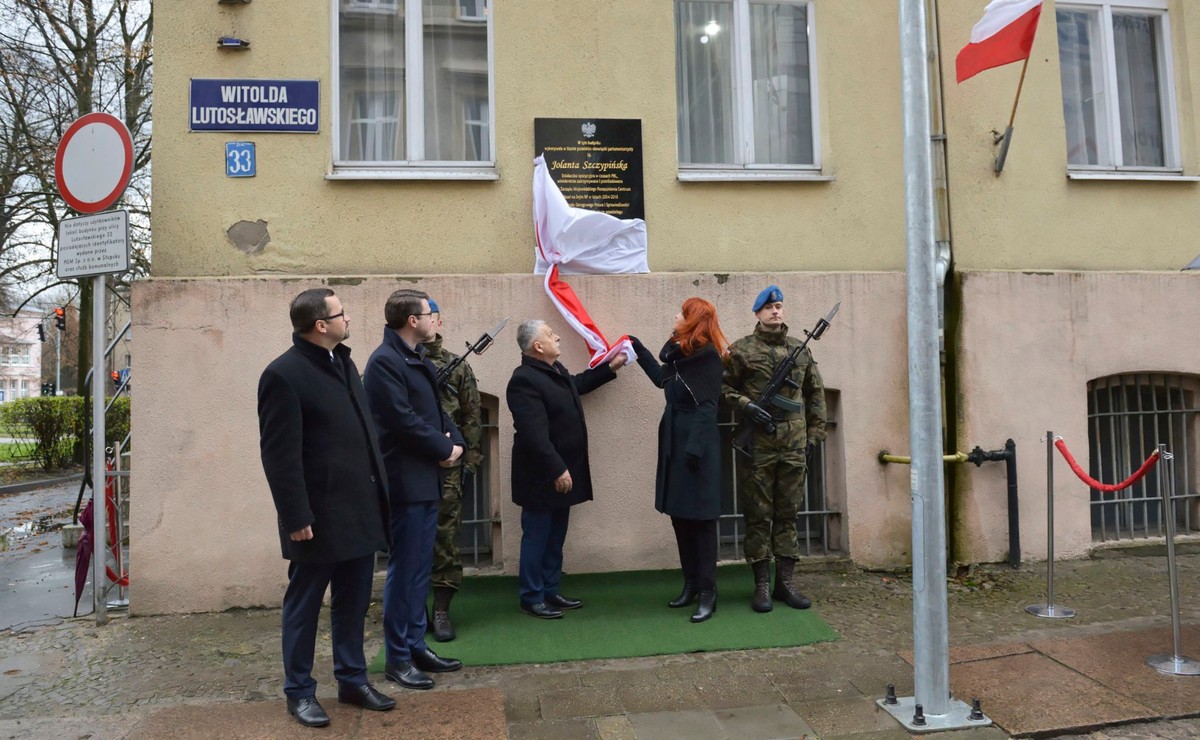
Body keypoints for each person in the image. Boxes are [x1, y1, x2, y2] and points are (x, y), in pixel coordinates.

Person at [257, 288, 395, 728]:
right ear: (321, 324)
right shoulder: (283, 375)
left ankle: (352, 680)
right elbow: (280, 456)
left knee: (353, 603)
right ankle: (299, 692)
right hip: (316, 520)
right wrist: (296, 516)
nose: (347, 318)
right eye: (341, 313)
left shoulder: (344, 362)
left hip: (358, 510)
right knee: (304, 606)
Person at [364, 289, 465, 691]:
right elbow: (402, 421)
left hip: (426, 477)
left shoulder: (414, 357)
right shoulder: (385, 362)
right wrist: (444, 449)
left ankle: (415, 645)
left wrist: (454, 440)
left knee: (420, 570)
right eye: (429, 313)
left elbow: (437, 412)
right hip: (406, 481)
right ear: (411, 320)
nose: (434, 319)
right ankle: (398, 658)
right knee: (404, 572)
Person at [506, 319, 625, 619]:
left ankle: (549, 589)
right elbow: (534, 434)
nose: (557, 336)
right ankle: (531, 597)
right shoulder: (524, 380)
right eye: (550, 334)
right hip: (542, 476)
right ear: (538, 346)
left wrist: (610, 367)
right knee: (537, 536)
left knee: (555, 535)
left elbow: (578, 384)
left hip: (562, 473)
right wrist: (558, 469)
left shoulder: (554, 371)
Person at [722, 285, 827, 613]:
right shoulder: (741, 350)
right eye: (769, 307)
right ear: (757, 313)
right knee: (757, 515)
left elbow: (816, 395)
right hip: (760, 447)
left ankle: (786, 582)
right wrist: (747, 406)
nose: (775, 312)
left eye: (779, 306)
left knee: (788, 514)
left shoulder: (800, 350)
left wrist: (814, 437)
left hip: (794, 446)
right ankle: (761, 585)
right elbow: (722, 387)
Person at [629, 297, 728, 623]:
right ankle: (689, 585)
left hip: (695, 450)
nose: (674, 315)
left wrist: (694, 451)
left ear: (691, 321)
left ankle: (708, 593)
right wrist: (639, 350)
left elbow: (707, 407)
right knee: (680, 518)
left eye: (680, 313)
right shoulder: (680, 354)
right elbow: (661, 379)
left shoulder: (708, 357)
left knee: (701, 523)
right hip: (675, 441)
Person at [421, 298, 483, 642]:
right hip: (412, 466)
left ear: (438, 322)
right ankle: (414, 610)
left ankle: (441, 609)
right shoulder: (396, 363)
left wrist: (469, 464)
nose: (423, 322)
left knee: (445, 537)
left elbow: (472, 419)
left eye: (429, 316)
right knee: (411, 539)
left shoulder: (456, 367)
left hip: (450, 467)